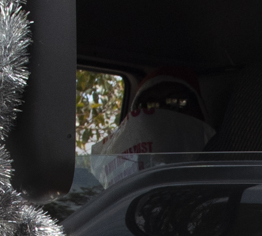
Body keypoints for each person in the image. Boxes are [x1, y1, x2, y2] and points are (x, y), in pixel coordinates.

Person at [83, 70, 212, 192]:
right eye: (150, 105)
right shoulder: (131, 182)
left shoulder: (215, 173)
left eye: (177, 103)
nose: (161, 113)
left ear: (199, 110)